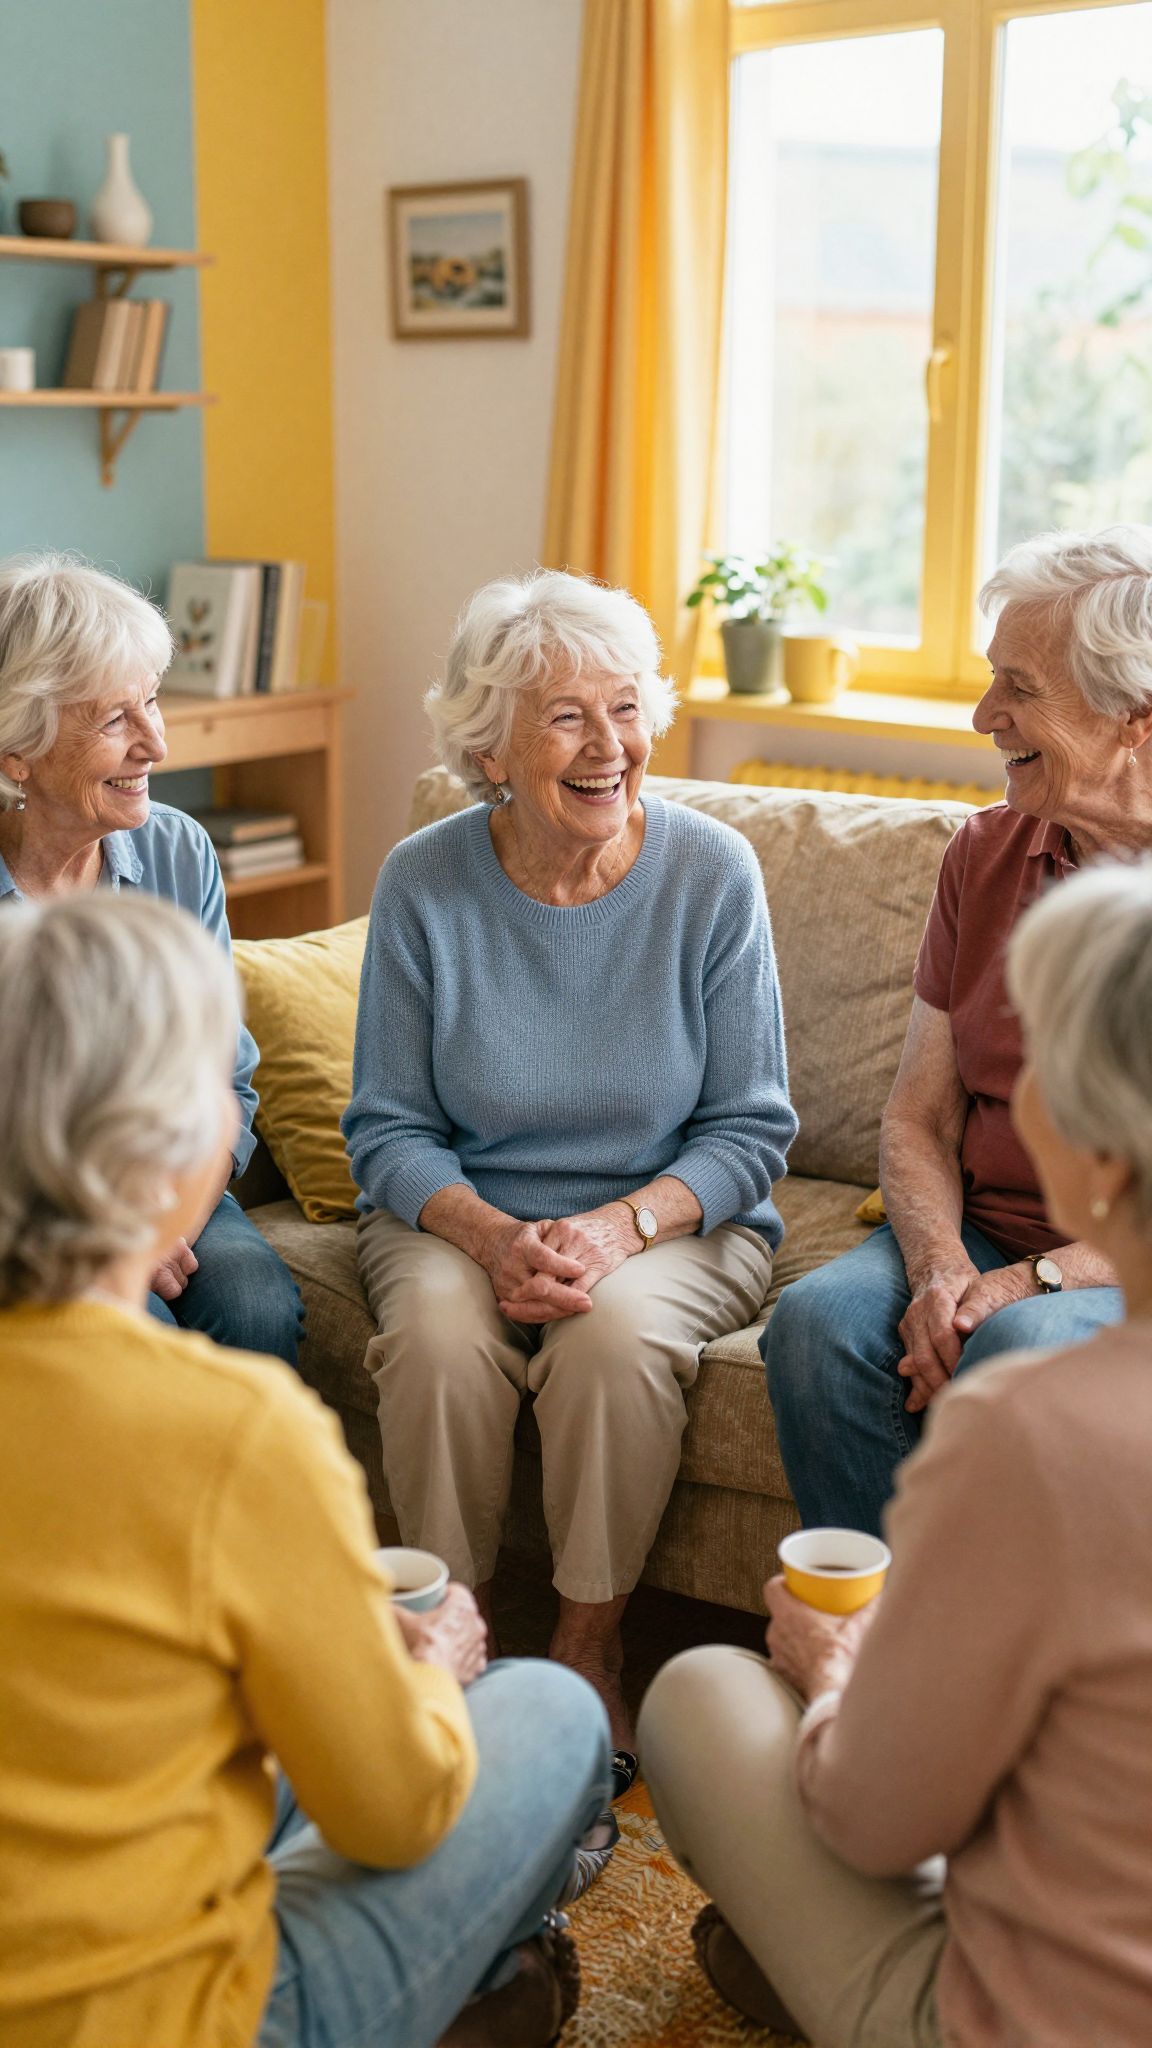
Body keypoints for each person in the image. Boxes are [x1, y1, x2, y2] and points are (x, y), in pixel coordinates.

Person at [0, 890, 611, 2048]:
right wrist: (429, 1673)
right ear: (174, 1147)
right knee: (549, 1707)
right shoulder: (234, 1428)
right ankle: (483, 1975)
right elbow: (394, 1812)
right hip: (169, 2022)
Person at [642, 859, 1152, 2047]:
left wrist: (833, 1671)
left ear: (1095, 1158)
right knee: (823, 1327)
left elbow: (877, 1820)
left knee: (707, 1691)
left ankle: (811, 1952)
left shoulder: (1033, 1425)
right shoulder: (986, 853)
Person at [343, 568, 797, 1772]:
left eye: (628, 708)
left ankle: (592, 1648)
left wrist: (617, 1229)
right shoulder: (422, 880)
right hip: (459, 1210)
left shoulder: (711, 872)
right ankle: (452, 1646)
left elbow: (752, 1129)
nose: (612, 746)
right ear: (489, 746)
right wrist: (491, 1236)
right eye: (566, 717)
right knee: (439, 1344)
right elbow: (385, 1127)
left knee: (611, 1339)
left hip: (673, 1214)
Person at [762, 524, 1152, 1535]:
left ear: (1134, 718)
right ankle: (863, 1648)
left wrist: (1034, 1280)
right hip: (981, 1228)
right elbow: (919, 1114)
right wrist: (942, 1267)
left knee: (1016, 1349)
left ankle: (988, 1676)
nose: (985, 715)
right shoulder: (984, 854)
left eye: (1019, 687)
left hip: (1128, 1259)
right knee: (816, 1326)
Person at [0, 550, 302, 1365]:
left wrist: (168, 1213)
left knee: (259, 1309)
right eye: (114, 721)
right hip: (23, 1212)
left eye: (154, 702)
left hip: (175, 1182)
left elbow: (224, 1075)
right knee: (134, 1338)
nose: (157, 744)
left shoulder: (177, 852)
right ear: (15, 751)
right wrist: (112, 1240)